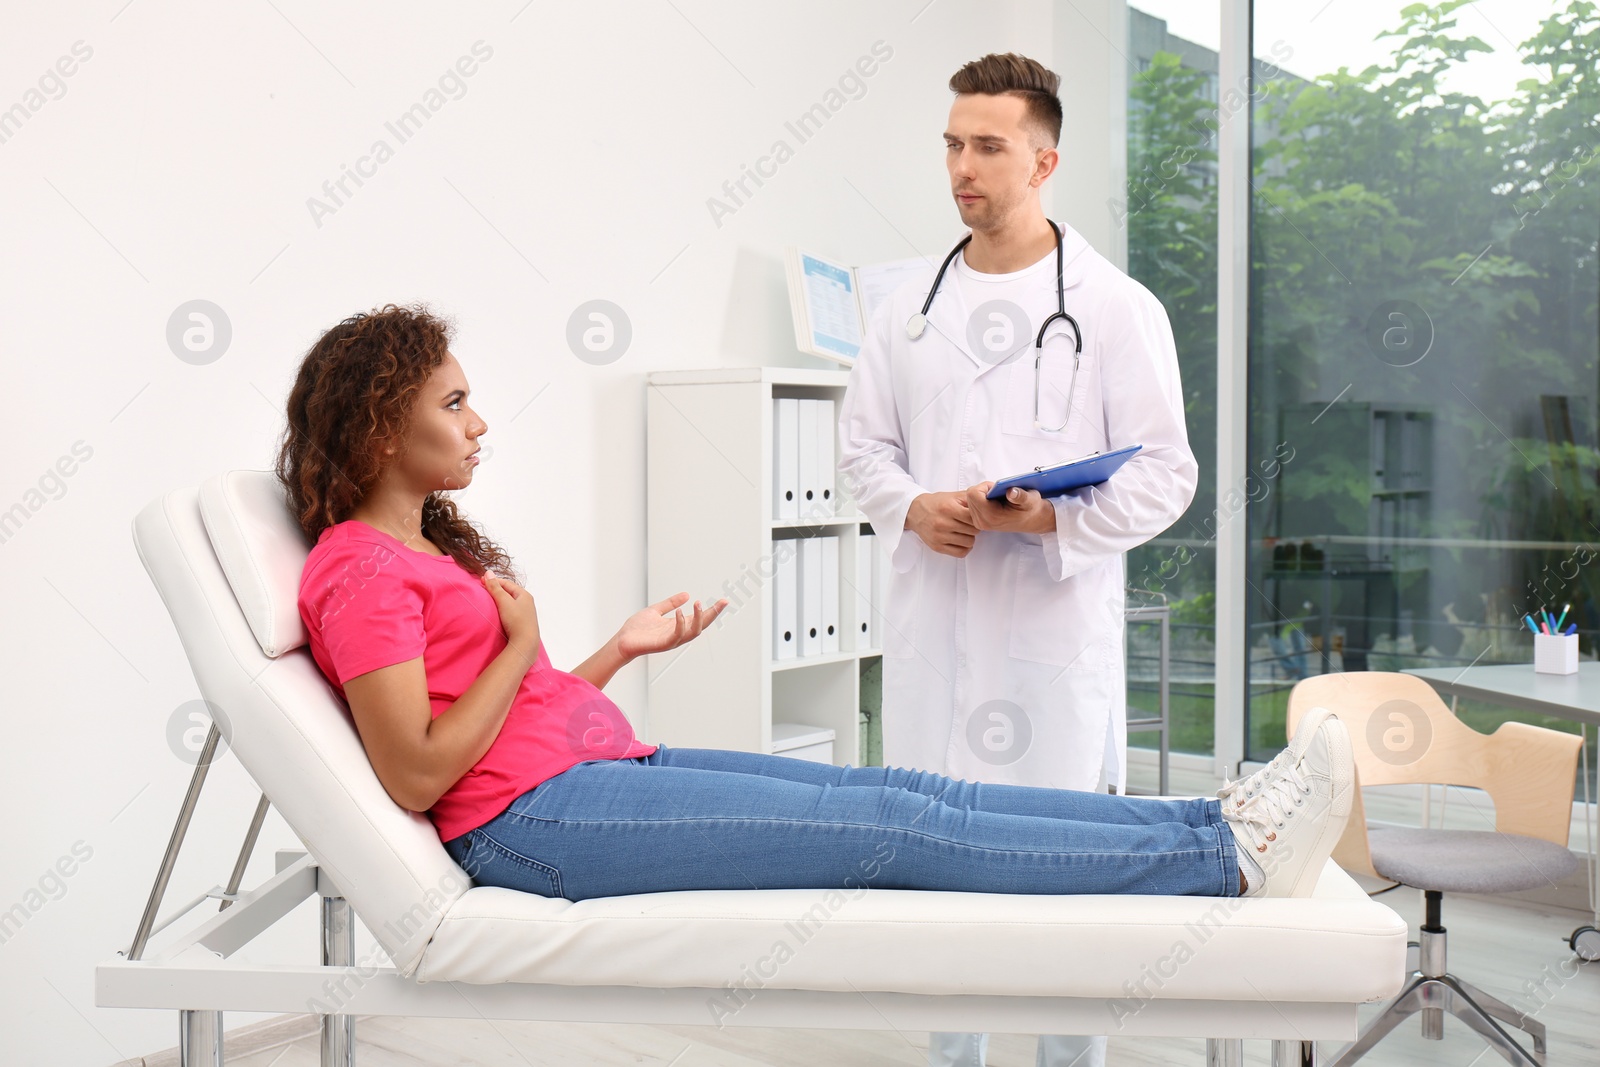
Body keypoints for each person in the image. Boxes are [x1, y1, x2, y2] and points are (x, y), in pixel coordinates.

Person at [281, 304, 1349, 929]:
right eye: (451, 403)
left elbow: (506, 711)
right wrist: (522, 641)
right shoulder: (359, 571)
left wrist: (612, 650)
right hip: (533, 828)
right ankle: (1225, 861)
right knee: (892, 830)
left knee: (901, 789)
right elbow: (420, 773)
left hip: (597, 773)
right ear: (378, 429)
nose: (477, 422)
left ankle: (1212, 821)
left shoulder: (423, 547)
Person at [837, 52, 1199, 1067]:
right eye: (953, 144)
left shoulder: (1116, 306)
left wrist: (1051, 522)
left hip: (1048, 638)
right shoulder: (903, 306)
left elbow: (1167, 472)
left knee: (1061, 882)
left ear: (1043, 160)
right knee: (938, 875)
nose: (963, 166)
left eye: (987, 146)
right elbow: (862, 448)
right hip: (933, 635)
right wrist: (913, 506)